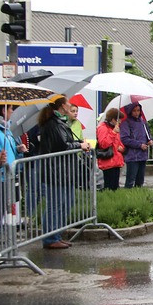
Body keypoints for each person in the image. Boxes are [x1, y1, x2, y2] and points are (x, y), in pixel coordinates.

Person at [36, 98, 91, 249]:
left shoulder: (60, 122)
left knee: (66, 204)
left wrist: (79, 143)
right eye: (67, 103)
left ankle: (57, 235)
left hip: (63, 171)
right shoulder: (53, 124)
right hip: (55, 172)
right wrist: (80, 145)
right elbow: (62, 146)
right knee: (56, 205)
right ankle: (50, 238)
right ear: (62, 106)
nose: (70, 105)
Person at [0, 104, 27, 249]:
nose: (13, 111)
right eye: (11, 108)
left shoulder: (4, 127)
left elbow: (7, 151)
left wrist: (18, 150)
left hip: (6, 177)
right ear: (4, 110)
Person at [119, 102, 153, 188]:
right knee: (130, 181)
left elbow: (148, 134)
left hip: (142, 155)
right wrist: (139, 145)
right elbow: (125, 139)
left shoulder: (143, 122)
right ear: (130, 111)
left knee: (140, 181)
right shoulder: (125, 123)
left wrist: (151, 140)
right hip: (132, 156)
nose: (136, 113)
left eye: (138, 110)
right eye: (134, 111)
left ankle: (138, 197)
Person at [96, 107, 125, 191]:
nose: (120, 121)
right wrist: (113, 133)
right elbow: (103, 144)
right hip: (108, 162)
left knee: (115, 187)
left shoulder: (114, 128)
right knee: (109, 187)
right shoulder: (103, 128)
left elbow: (119, 143)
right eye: (118, 119)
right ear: (113, 119)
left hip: (116, 161)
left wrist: (122, 148)